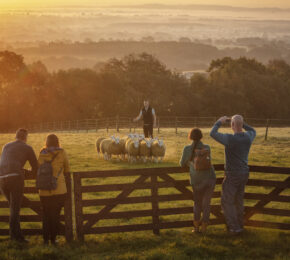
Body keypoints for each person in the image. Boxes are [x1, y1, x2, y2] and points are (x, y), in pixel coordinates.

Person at [210, 115, 256, 235]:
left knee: (226, 201)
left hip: (232, 174)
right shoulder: (248, 137)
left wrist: (219, 121)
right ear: (242, 125)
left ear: (232, 125)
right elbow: (253, 130)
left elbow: (213, 133)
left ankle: (234, 228)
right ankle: (240, 225)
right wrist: (241, 123)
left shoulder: (229, 139)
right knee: (238, 200)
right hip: (244, 173)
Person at [0, 129, 38, 242]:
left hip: (1, 178)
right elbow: (35, 167)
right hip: (15, 178)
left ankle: (14, 236)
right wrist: (26, 172)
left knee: (13, 207)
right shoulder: (27, 148)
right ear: (25, 137)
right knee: (15, 209)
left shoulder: (6, 146)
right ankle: (17, 238)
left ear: (15, 136)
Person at [180, 128, 216, 234]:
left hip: (196, 180)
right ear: (201, 136)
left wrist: (190, 164)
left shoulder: (187, 149)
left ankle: (196, 228)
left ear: (190, 137)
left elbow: (181, 164)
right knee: (206, 204)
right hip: (210, 178)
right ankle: (204, 228)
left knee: (197, 204)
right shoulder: (207, 147)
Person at [38, 134, 70, 245]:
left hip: (44, 191)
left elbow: (38, 169)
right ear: (57, 142)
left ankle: (45, 240)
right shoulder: (62, 152)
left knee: (46, 216)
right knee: (55, 215)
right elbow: (67, 170)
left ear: (46, 142)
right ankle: (53, 239)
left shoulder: (42, 153)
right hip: (59, 190)